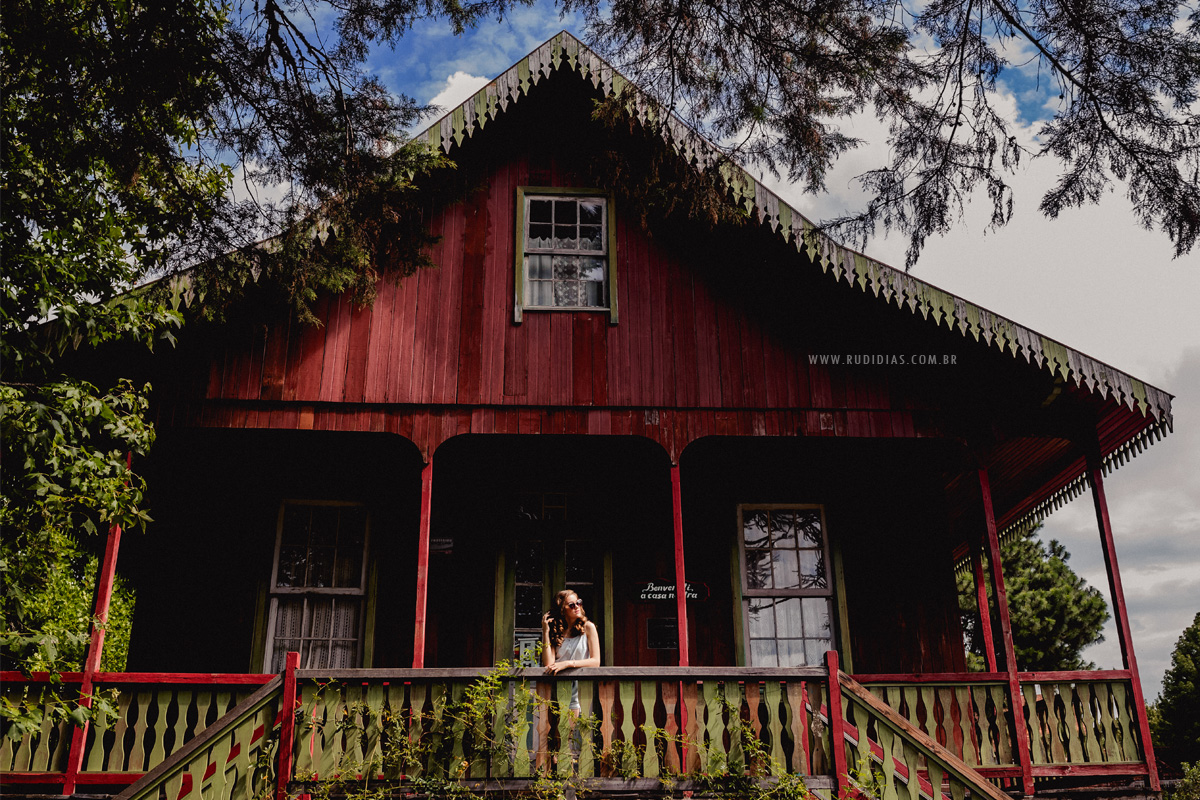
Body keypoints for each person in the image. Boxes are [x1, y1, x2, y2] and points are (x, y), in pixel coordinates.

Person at [541, 589, 600, 711]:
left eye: (578, 602)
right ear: (562, 610)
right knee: (556, 729)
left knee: (570, 729)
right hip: (557, 687)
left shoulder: (588, 627)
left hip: (580, 688)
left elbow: (595, 662)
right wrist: (546, 632)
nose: (577, 607)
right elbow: (548, 663)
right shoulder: (556, 631)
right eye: (572, 605)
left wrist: (567, 664)